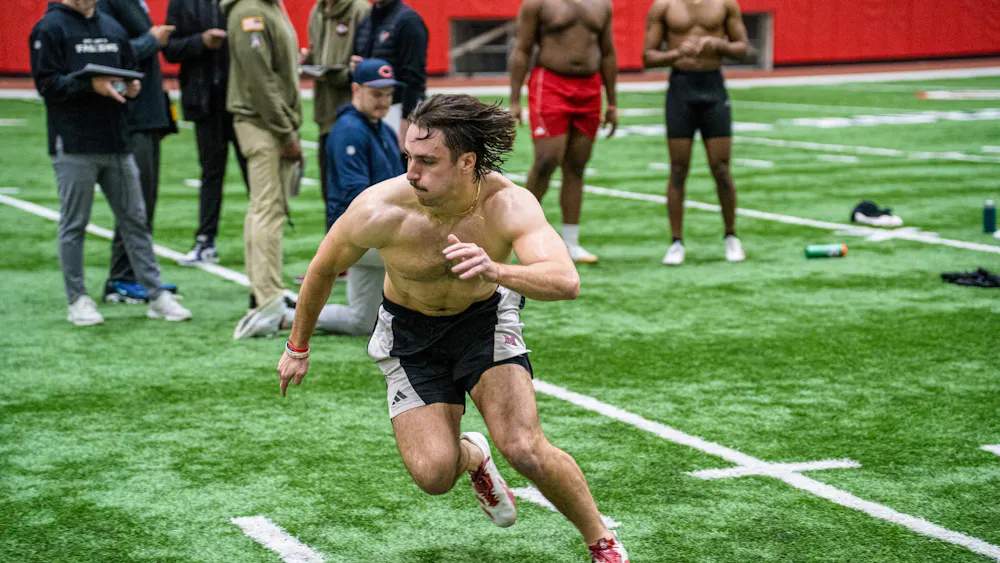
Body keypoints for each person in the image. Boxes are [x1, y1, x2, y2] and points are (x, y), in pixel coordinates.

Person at [277, 95, 630, 563]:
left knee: (524, 447)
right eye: (408, 157)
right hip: (408, 337)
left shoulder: (507, 203)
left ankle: (601, 542)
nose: (411, 172)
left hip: (483, 322)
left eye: (426, 161)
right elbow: (322, 270)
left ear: (467, 162)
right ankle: (472, 456)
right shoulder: (380, 207)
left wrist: (496, 271)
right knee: (434, 476)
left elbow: (566, 281)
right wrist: (297, 346)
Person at [30, 0, 192, 326]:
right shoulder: (49, 28)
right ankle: (77, 300)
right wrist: (89, 84)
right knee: (74, 224)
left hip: (118, 141)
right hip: (74, 144)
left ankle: (156, 294)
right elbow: (46, 84)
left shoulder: (112, 27)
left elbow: (129, 71)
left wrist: (129, 87)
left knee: (135, 221)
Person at [290, 58, 404, 335]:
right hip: (358, 236)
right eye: (377, 94)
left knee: (361, 321)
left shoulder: (382, 129)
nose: (384, 101)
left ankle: (286, 312)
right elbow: (359, 196)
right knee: (431, 253)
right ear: (356, 90)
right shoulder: (349, 130)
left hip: (375, 231)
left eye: (388, 95)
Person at [508, 0, 619, 265]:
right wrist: (514, 99)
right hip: (551, 83)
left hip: (590, 88)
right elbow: (522, 49)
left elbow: (608, 52)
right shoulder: (537, 3)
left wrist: (612, 101)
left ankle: (571, 243)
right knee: (546, 161)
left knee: (577, 166)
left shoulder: (602, 4)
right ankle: (520, 236)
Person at [643, 0, 749, 265]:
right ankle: (676, 242)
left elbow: (743, 48)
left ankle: (731, 236)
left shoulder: (725, 4)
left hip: (714, 87)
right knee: (678, 168)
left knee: (721, 167)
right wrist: (676, 53)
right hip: (681, 88)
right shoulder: (664, 6)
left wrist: (720, 45)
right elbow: (648, 56)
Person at [222, 0, 304, 340]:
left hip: (270, 122)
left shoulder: (269, 7)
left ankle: (267, 289)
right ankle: (267, 296)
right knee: (267, 210)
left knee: (266, 208)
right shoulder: (249, 12)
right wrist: (285, 131)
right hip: (263, 125)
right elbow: (259, 78)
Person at [97, 0, 178, 302]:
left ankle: (137, 276)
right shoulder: (109, 4)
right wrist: (151, 41)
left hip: (149, 114)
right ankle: (121, 278)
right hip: (133, 116)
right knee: (135, 202)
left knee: (145, 199)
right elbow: (111, 52)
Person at [164, 0, 250, 266]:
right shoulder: (182, 3)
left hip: (244, 102)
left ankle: (263, 240)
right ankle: (205, 240)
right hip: (205, 102)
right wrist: (201, 41)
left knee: (255, 175)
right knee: (211, 173)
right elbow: (170, 49)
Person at [302, 0, 370, 230]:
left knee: (354, 197)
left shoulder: (360, 10)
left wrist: (339, 74)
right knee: (330, 196)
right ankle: (335, 260)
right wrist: (307, 60)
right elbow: (317, 55)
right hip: (324, 116)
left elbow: (366, 68)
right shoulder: (318, 10)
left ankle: (358, 261)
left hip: (352, 118)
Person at [351, 0, 427, 150]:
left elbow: (414, 77)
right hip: (371, 112)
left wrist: (407, 120)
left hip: (396, 111)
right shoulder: (367, 20)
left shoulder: (409, 21)